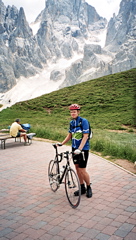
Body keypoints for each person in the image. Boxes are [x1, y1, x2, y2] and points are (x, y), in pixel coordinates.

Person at [60, 104, 92, 198]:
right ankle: (82, 188)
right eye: (71, 112)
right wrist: (62, 143)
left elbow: (85, 136)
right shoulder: (72, 123)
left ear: (78, 112)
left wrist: (80, 149)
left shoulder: (83, 121)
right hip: (74, 149)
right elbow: (70, 135)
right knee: (77, 168)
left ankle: (89, 187)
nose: (72, 113)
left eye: (74, 111)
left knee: (82, 170)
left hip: (83, 150)